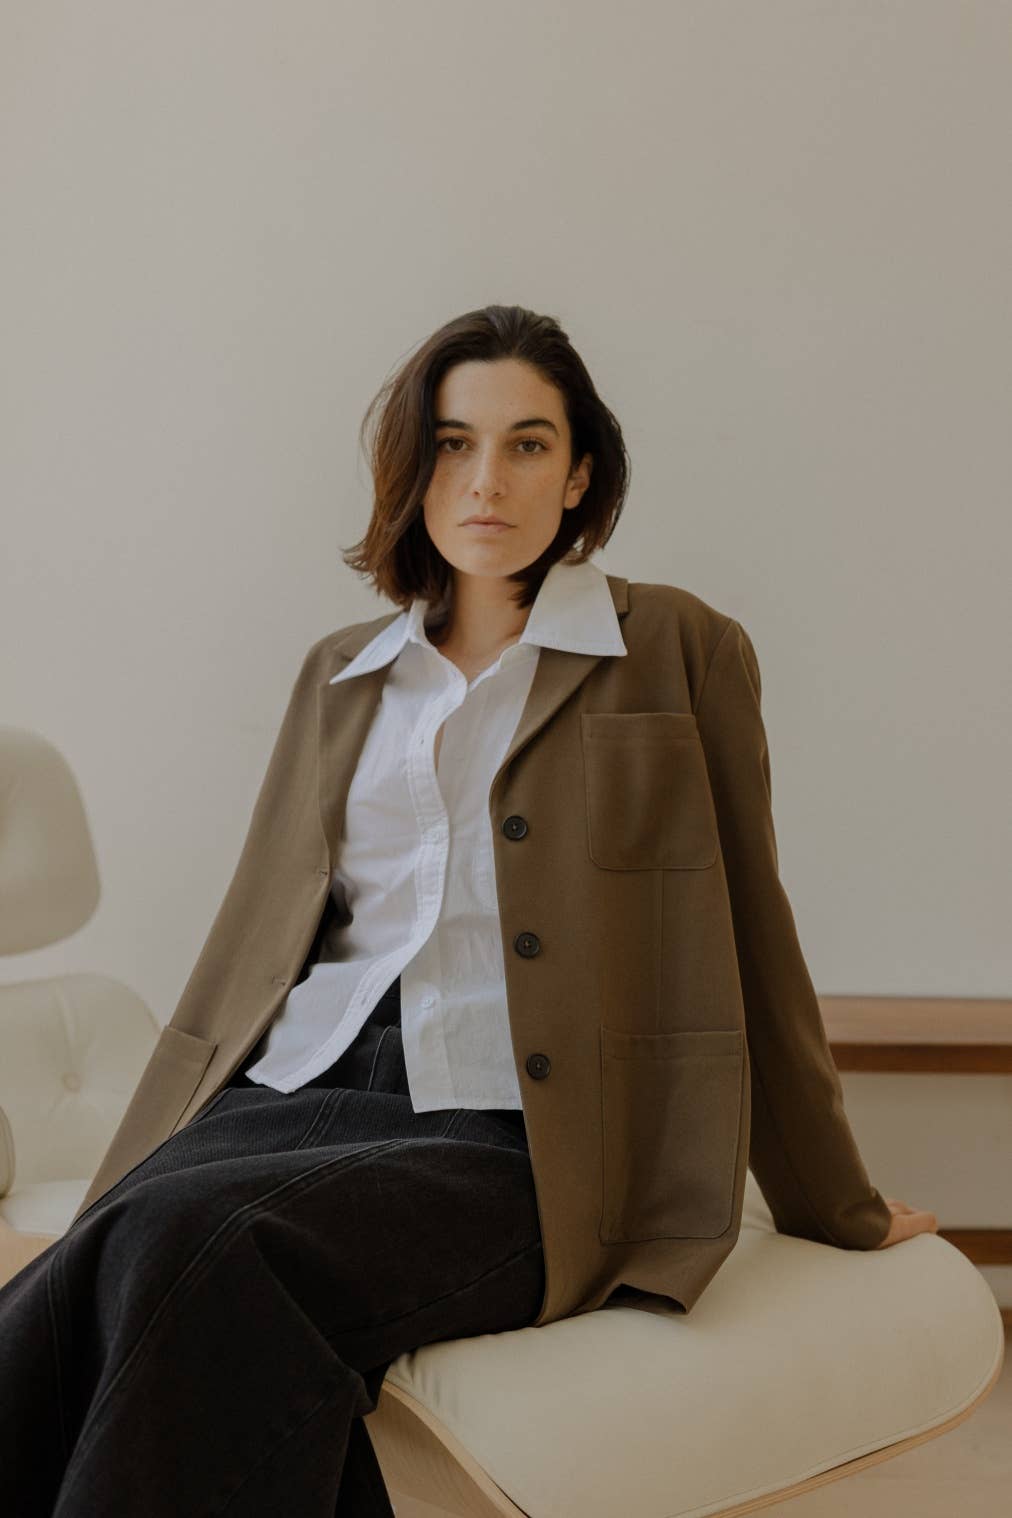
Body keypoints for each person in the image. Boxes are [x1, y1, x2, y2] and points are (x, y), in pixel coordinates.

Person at [0, 304, 937, 1517]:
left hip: (522, 1131)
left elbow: (753, 936)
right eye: (452, 444)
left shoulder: (677, 648)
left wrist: (834, 1203)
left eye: (526, 444)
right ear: (413, 467)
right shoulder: (340, 674)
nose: (486, 480)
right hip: (293, 1090)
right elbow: (253, 941)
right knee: (81, 1279)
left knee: (203, 1243)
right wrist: (144, 1148)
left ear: (579, 473)